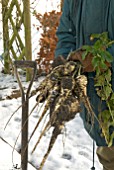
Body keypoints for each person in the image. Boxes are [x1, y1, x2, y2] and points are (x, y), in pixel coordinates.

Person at [54, 0, 114, 170]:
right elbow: (67, 33)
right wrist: (64, 59)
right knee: (108, 156)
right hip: (100, 109)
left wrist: (102, 58)